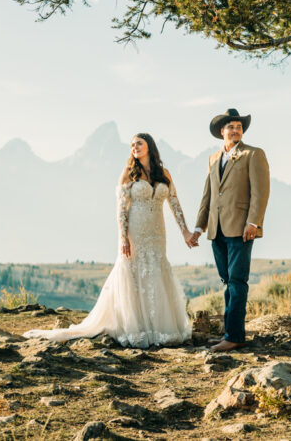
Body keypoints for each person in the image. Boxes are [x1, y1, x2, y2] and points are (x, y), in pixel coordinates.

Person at [23, 132, 195, 347]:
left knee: (156, 271)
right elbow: (121, 209)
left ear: (149, 146)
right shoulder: (128, 173)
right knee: (134, 273)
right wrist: (123, 237)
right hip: (135, 231)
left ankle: (160, 328)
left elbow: (175, 203)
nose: (134, 147)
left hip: (157, 232)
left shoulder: (164, 173)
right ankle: (137, 327)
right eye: (132, 145)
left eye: (139, 144)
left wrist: (185, 232)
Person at [187, 108, 270, 352]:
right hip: (217, 229)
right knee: (226, 281)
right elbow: (208, 195)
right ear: (222, 132)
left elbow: (261, 191)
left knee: (237, 281)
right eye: (231, 127)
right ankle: (229, 333)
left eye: (239, 127)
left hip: (241, 227)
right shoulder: (213, 159)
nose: (235, 130)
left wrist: (253, 222)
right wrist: (199, 228)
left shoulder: (253, 154)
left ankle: (235, 336)